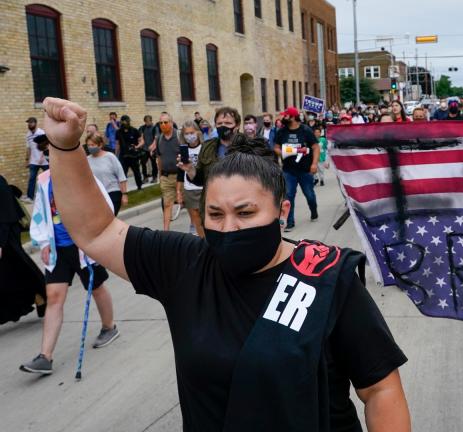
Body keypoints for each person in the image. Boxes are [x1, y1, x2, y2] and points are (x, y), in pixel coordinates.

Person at [37, 96, 411, 430]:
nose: (228, 227)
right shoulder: (184, 264)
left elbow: (380, 389)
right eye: (215, 214)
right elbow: (96, 231)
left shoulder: (328, 277)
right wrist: (65, 146)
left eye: (245, 213)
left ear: (281, 211)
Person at [20, 165, 118, 375]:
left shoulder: (82, 172)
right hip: (58, 249)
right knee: (54, 297)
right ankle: (45, 356)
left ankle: (109, 327)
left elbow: (102, 203)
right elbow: (40, 211)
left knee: (97, 288)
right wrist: (44, 242)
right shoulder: (44, 179)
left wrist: (96, 232)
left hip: (84, 244)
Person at [0, 174, 46, 324]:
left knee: (19, 268)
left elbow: (5, 213)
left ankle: (41, 295)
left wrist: (1, 242)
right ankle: (37, 296)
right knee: (11, 274)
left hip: (6, 234)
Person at [274, 107, 319, 232]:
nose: (283, 118)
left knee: (309, 195)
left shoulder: (306, 130)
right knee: (288, 196)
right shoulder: (281, 132)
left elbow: (315, 147)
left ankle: (314, 211)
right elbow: (276, 148)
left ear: (293, 117)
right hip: (288, 170)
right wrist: (286, 151)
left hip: (305, 170)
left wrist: (314, 164)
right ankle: (290, 222)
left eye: (286, 116)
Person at [183, 106, 241, 193]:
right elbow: (201, 180)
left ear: (237, 125)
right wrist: (190, 170)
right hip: (214, 202)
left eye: (228, 123)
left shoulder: (249, 146)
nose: (223, 126)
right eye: (219, 123)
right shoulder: (207, 147)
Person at [86, 133, 128, 215]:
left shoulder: (110, 157)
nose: (90, 147)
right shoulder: (87, 160)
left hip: (113, 193)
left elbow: (121, 176)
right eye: (88, 145)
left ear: (100, 145)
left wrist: (124, 194)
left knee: (110, 218)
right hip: (98, 196)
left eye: (93, 145)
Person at [155, 112, 184, 231]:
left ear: (171, 123)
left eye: (165, 122)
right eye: (161, 123)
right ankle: (165, 232)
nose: (163, 125)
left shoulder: (179, 136)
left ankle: (196, 228)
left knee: (189, 205)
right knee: (167, 204)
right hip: (166, 177)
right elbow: (159, 158)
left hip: (180, 176)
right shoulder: (159, 138)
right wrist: (160, 175)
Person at [179, 121, 205, 237]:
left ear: (198, 132)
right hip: (189, 188)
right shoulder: (183, 150)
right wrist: (179, 192)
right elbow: (180, 173)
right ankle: (203, 243)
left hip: (204, 188)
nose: (189, 136)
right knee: (196, 220)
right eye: (186, 133)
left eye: (191, 132)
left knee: (207, 218)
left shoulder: (205, 147)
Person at [116, 115, 143, 190]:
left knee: (136, 172)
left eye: (126, 121)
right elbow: (117, 144)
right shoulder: (118, 132)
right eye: (123, 122)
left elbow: (141, 141)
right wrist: (115, 155)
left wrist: (137, 147)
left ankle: (139, 187)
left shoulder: (134, 130)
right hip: (123, 156)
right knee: (122, 173)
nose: (124, 123)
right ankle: (123, 190)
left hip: (133, 156)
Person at [25, 116, 47, 202]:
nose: (29, 124)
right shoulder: (28, 135)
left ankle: (48, 196)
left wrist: (42, 157)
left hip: (44, 161)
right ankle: (30, 197)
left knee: (48, 178)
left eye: (31, 122)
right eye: (28, 123)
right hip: (33, 161)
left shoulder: (41, 132)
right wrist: (27, 160)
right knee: (32, 179)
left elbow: (45, 145)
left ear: (35, 123)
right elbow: (29, 148)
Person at [139, 115, 158, 183]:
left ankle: (155, 177)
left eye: (148, 121)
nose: (147, 123)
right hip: (145, 149)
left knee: (153, 164)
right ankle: (145, 177)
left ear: (151, 120)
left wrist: (152, 147)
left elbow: (156, 139)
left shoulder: (155, 128)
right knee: (143, 163)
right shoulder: (142, 128)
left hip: (152, 149)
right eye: (146, 121)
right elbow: (141, 137)